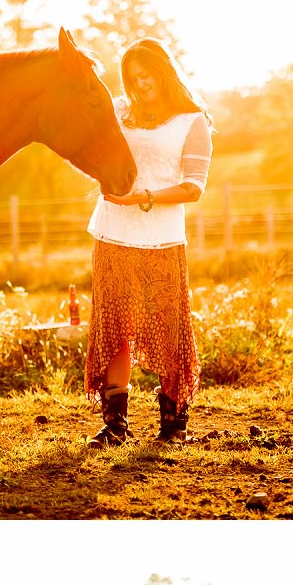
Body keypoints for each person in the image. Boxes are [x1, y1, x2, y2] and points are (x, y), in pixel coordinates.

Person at [83, 37, 214, 447]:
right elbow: (93, 148)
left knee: (168, 329)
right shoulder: (120, 111)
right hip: (112, 233)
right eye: (132, 79)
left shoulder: (192, 120)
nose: (140, 85)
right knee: (115, 328)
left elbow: (194, 188)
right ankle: (115, 427)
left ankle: (173, 426)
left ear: (164, 72)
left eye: (147, 76)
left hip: (162, 239)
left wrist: (143, 198)